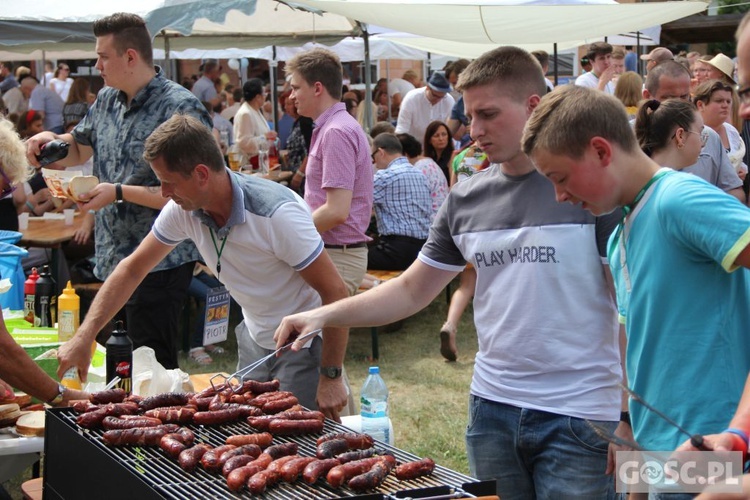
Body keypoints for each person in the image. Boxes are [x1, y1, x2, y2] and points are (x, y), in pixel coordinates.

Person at [275, 46, 624, 499]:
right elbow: (411, 290)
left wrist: (626, 414)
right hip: (492, 411)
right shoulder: (466, 198)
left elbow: (631, 311)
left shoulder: (588, 190)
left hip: (583, 416)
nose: (474, 130)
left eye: (488, 114)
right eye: (469, 115)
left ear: (534, 107)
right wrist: (325, 316)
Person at [62, 113, 350, 418]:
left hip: (303, 344)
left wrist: (330, 376)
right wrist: (84, 336)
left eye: (167, 182)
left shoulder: (276, 214)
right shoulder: (183, 209)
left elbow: (335, 292)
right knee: (250, 432)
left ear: (201, 174)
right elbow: (132, 269)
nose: (163, 193)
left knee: (295, 447)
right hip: (255, 335)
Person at [521, 84, 750, 457]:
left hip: (713, 447)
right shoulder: (618, 236)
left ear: (600, 150)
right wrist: (627, 422)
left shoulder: (679, 200)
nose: (559, 196)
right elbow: (638, 347)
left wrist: (739, 434)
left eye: (560, 178)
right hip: (652, 447)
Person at [26, 12, 209, 373]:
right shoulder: (108, 99)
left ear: (130, 57)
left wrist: (119, 192)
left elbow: (193, 194)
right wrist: (52, 142)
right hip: (112, 258)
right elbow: (80, 147)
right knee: (117, 365)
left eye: (103, 56)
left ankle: (162, 429)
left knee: (150, 369)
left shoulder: (180, 107)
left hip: (160, 259)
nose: (96, 65)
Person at [286, 47, 373, 415]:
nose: (291, 96)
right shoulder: (333, 126)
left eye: (295, 87)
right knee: (323, 360)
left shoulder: (336, 131)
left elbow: (336, 211)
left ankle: (351, 447)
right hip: (335, 252)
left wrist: (289, 234)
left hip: (338, 253)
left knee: (325, 364)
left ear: (317, 87)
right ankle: (350, 443)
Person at [642, 60, 745, 203]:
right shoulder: (626, 137)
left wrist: (705, 207)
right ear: (647, 96)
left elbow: (734, 190)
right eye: (669, 98)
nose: (678, 105)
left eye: (684, 97)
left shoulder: (709, 137)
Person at [368, 133, 431, 271]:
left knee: (351, 260)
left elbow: (355, 204)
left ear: (381, 152)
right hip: (424, 251)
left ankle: (376, 286)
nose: (374, 164)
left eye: (372, 158)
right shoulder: (420, 174)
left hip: (395, 251)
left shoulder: (384, 177)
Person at [694, 79, 747, 179]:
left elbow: (739, 160)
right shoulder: (692, 134)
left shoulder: (731, 131)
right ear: (701, 105)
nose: (725, 105)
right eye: (719, 101)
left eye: (728, 101)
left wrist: (742, 171)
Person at [397, 132, 449, 222]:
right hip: (440, 218)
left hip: (432, 221)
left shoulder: (418, 169)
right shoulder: (427, 162)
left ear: (404, 154)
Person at [395, 72, 455, 146]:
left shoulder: (448, 100)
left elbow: (449, 130)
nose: (438, 100)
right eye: (435, 95)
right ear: (427, 88)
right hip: (414, 146)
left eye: (441, 97)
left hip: (437, 147)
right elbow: (402, 131)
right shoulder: (411, 98)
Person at [234, 78, 277, 164]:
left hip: (262, 161)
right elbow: (243, 142)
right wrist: (265, 136)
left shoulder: (255, 110)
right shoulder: (245, 113)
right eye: (264, 94)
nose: (265, 96)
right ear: (257, 97)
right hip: (251, 163)